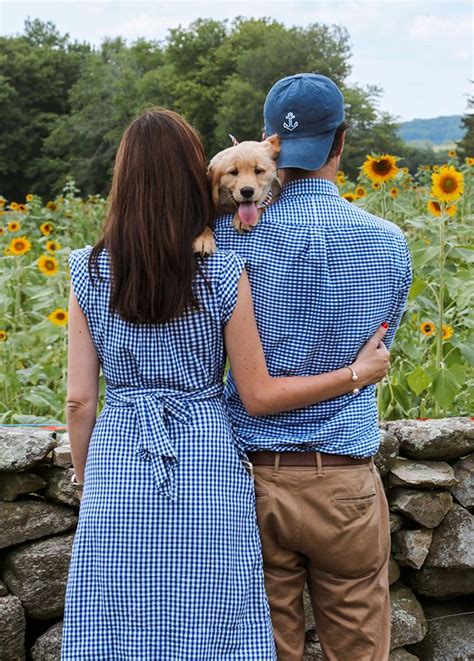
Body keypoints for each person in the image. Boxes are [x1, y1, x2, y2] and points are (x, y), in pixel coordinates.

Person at [61, 107, 391, 660]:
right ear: (198, 180)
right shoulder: (220, 269)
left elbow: (77, 400)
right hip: (206, 459)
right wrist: (358, 373)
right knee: (218, 625)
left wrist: (81, 476)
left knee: (112, 623)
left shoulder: (87, 269)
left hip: (118, 457)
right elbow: (257, 389)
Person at [214, 73, 412, 661]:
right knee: (357, 645)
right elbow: (375, 354)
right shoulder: (388, 240)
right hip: (343, 481)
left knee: (263, 646)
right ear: (343, 141)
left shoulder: (224, 237)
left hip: (247, 480)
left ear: (269, 142)